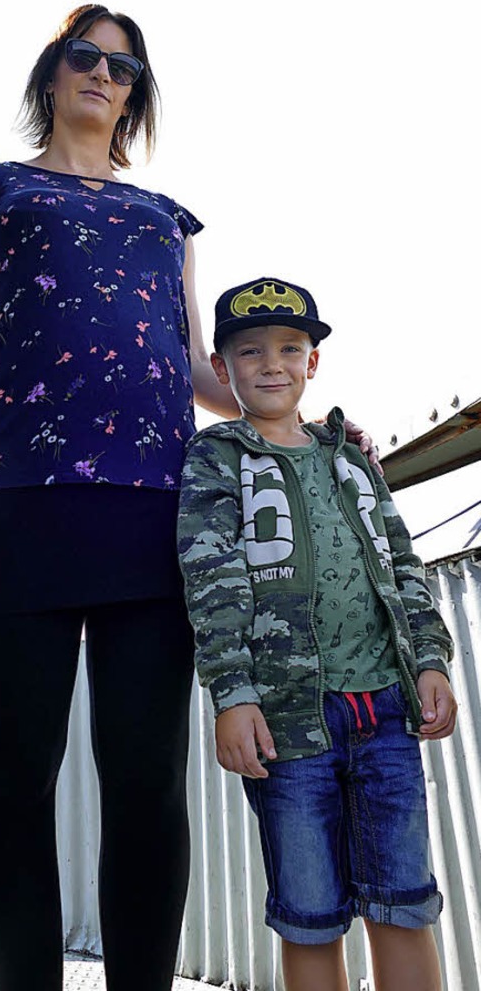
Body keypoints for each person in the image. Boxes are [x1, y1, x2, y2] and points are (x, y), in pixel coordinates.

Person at [0, 5, 380, 991]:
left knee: (146, 786)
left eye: (124, 67)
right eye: (84, 57)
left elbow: (192, 364)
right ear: (51, 75)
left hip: (157, 517)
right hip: (15, 505)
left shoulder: (165, 218)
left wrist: (304, 425)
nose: (104, 75)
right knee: (13, 783)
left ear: (134, 94)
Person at [177, 276, 457, 991]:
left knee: (404, 900)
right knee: (309, 910)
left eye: (289, 348)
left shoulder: (354, 459)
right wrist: (232, 695)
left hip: (387, 712)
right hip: (289, 723)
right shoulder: (217, 460)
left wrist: (430, 659)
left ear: (313, 362)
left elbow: (403, 563)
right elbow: (212, 584)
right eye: (250, 352)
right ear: (223, 367)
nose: (272, 364)